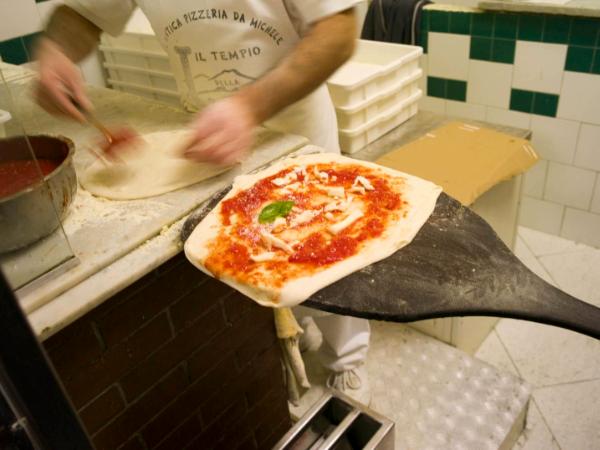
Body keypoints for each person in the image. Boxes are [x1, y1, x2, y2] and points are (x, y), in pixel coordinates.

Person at [34, 0, 371, 404]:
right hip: (208, 131)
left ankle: (346, 359)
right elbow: (84, 12)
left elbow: (338, 33)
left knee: (325, 250)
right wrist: (56, 50)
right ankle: (292, 327)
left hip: (293, 125)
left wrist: (249, 107)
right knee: (254, 252)